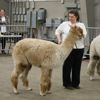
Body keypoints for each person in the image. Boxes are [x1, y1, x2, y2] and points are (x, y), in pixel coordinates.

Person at [55, 10, 87, 89]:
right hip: (67, 48)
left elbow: (84, 35)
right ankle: (67, 84)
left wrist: (79, 33)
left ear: (76, 16)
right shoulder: (64, 24)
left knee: (77, 66)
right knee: (67, 66)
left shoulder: (81, 25)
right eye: (69, 16)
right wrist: (59, 40)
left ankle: (75, 83)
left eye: (72, 16)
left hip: (79, 48)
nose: (70, 18)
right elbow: (57, 31)